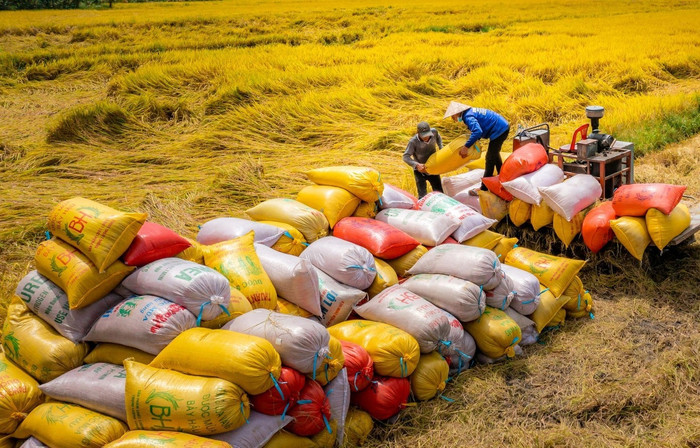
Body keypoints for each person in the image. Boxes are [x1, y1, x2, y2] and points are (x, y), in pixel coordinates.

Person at [443, 101, 510, 194]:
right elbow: (478, 131)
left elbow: (477, 131)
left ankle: (484, 188)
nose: (453, 119)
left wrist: (466, 147)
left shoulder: (467, 117)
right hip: (502, 126)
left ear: (456, 113)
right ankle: (503, 177)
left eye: (452, 116)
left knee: (490, 159)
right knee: (494, 154)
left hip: (499, 130)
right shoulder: (470, 112)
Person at [403, 121, 444, 199]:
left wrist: (441, 147)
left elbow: (438, 138)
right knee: (422, 196)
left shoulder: (434, 132)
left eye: (428, 135)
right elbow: (405, 157)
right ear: (418, 133)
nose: (426, 137)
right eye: (424, 136)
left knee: (439, 192)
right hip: (420, 170)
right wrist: (416, 165)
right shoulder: (413, 142)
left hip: (433, 167)